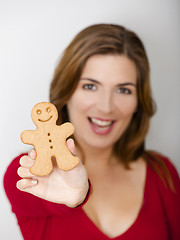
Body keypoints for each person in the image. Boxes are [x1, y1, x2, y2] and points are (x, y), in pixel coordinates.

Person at [3, 23, 180, 240]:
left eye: (123, 90)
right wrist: (77, 195)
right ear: (66, 92)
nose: (106, 107)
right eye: (90, 86)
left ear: (138, 102)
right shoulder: (27, 172)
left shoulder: (163, 175)